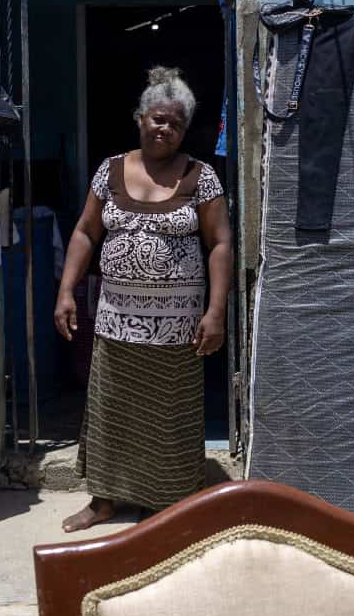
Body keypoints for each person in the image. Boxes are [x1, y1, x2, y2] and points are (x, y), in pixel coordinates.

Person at [54, 66, 233, 532]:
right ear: (140, 118)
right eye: (158, 119)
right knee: (111, 410)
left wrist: (216, 312)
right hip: (116, 321)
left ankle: (167, 506)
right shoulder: (110, 171)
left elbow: (220, 244)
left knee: (170, 416)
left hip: (177, 328)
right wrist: (66, 290)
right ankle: (103, 502)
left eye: (176, 123)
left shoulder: (201, 177)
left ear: (184, 130)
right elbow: (84, 233)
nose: (165, 129)